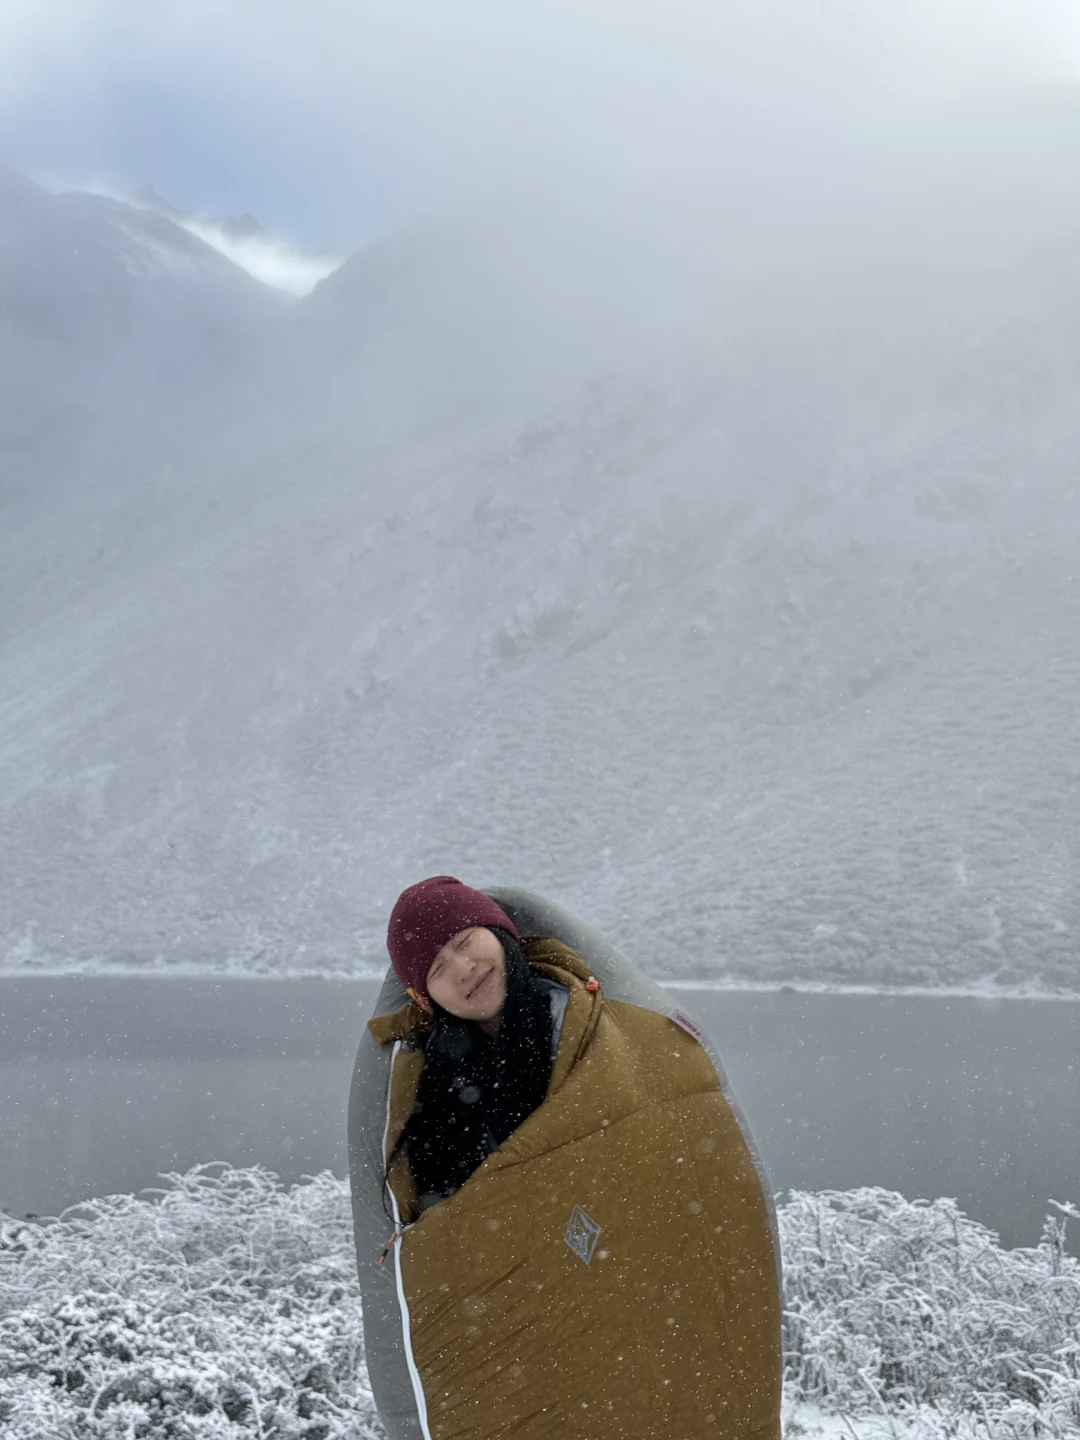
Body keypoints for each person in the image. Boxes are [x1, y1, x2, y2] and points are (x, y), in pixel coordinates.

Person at [349, 876, 782, 1440]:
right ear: (426, 997)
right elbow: (439, 1249)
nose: (462, 968)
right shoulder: (431, 1103)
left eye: (463, 940)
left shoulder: (602, 1030)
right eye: (435, 968)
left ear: (499, 932)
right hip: (533, 1344)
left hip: (641, 1310)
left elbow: (683, 1144)